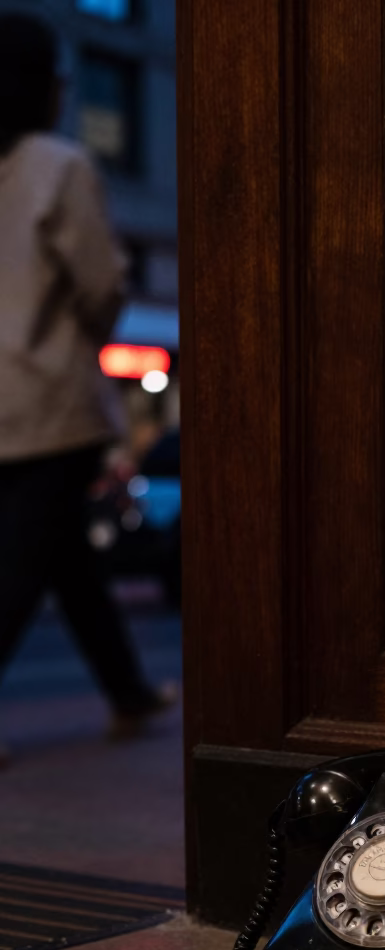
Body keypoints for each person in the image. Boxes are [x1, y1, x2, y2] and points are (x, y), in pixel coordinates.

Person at [0, 13, 174, 763]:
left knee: (64, 556)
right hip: (47, 400)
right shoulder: (57, 165)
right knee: (27, 564)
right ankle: (129, 690)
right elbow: (101, 287)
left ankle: (128, 690)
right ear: (45, 85)